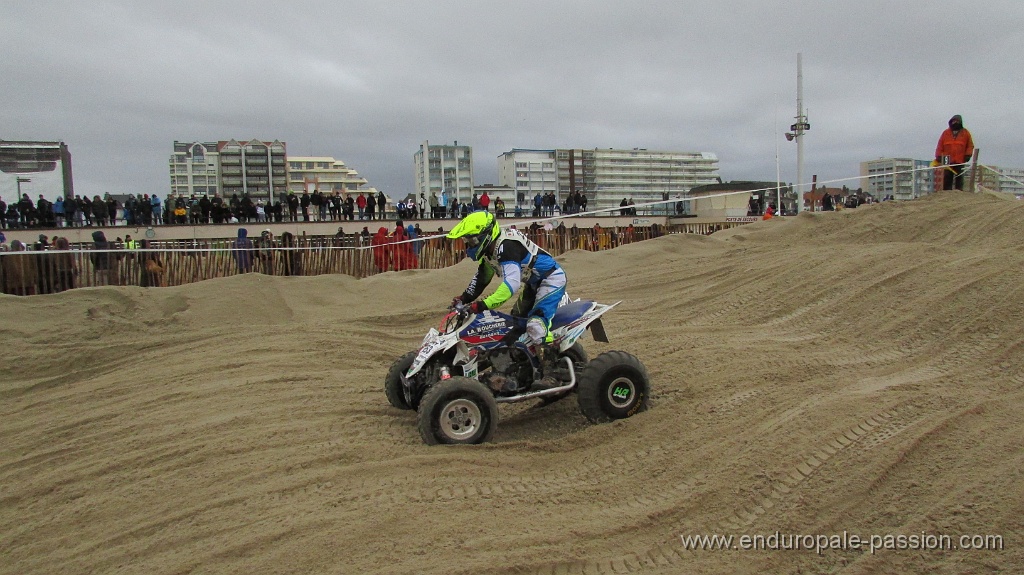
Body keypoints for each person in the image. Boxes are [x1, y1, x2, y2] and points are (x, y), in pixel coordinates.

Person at [447, 210, 568, 391]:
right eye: (467, 241)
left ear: (485, 235)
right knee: (514, 325)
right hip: (534, 284)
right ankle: (521, 364)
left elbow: (511, 285)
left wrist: (482, 305)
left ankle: (553, 374)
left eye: (471, 241)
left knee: (536, 324)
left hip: (551, 279)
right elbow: (482, 278)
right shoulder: (491, 251)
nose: (469, 245)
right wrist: (464, 298)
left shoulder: (507, 246)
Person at [935, 114, 975, 191]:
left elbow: (970, 145)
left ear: (960, 122)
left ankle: (958, 194)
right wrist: (938, 156)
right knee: (947, 177)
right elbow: (940, 145)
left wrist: (968, 155)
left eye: (957, 121)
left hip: (960, 159)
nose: (955, 123)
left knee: (959, 178)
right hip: (946, 159)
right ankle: (946, 193)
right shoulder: (945, 133)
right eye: (953, 121)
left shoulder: (966, 133)